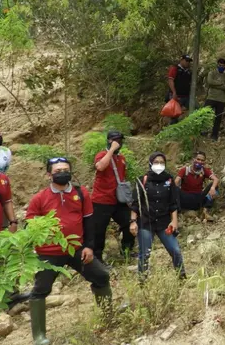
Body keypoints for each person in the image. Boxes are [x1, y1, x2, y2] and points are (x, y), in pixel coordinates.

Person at [27, 157, 112, 345]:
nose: (62, 173)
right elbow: (30, 226)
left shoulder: (81, 194)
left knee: (100, 276)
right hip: (48, 252)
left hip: (76, 249)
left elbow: (90, 222)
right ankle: (39, 336)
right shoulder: (39, 198)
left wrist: (89, 246)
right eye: (57, 171)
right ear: (49, 174)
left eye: (65, 169)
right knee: (41, 290)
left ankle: (108, 318)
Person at [130, 152, 184, 278]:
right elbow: (135, 204)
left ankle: (182, 278)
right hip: (145, 222)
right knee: (145, 253)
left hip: (164, 223)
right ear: (150, 163)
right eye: (156, 162)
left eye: (162, 162)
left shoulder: (169, 180)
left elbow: (173, 204)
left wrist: (174, 221)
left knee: (175, 250)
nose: (159, 165)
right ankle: (142, 281)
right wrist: (132, 221)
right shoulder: (142, 180)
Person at [91, 130, 135, 263]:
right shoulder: (102, 154)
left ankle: (126, 250)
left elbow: (122, 177)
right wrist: (111, 150)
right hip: (101, 200)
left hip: (118, 200)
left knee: (129, 223)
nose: (118, 143)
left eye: (120, 140)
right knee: (99, 230)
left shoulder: (121, 158)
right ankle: (97, 258)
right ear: (109, 141)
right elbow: (100, 167)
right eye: (115, 140)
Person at [176, 151, 220, 221]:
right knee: (174, 189)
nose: (200, 162)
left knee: (214, 185)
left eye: (202, 160)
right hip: (185, 199)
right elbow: (176, 181)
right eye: (198, 159)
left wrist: (212, 188)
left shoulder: (204, 171)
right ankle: (177, 215)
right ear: (193, 159)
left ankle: (205, 212)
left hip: (198, 200)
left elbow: (216, 179)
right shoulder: (185, 170)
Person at [204, 58, 225, 141]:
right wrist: (220, 83)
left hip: (221, 100)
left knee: (218, 118)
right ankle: (203, 131)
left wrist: (215, 85)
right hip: (211, 97)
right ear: (217, 65)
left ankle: (214, 135)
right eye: (220, 65)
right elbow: (209, 82)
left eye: (223, 66)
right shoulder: (212, 73)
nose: (221, 67)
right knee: (205, 115)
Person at [166, 54, 193, 124]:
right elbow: (170, 80)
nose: (188, 62)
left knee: (195, 108)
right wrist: (174, 92)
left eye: (189, 61)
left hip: (186, 96)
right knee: (174, 116)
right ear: (181, 60)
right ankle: (171, 132)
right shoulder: (175, 69)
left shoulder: (189, 72)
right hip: (177, 96)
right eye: (186, 60)